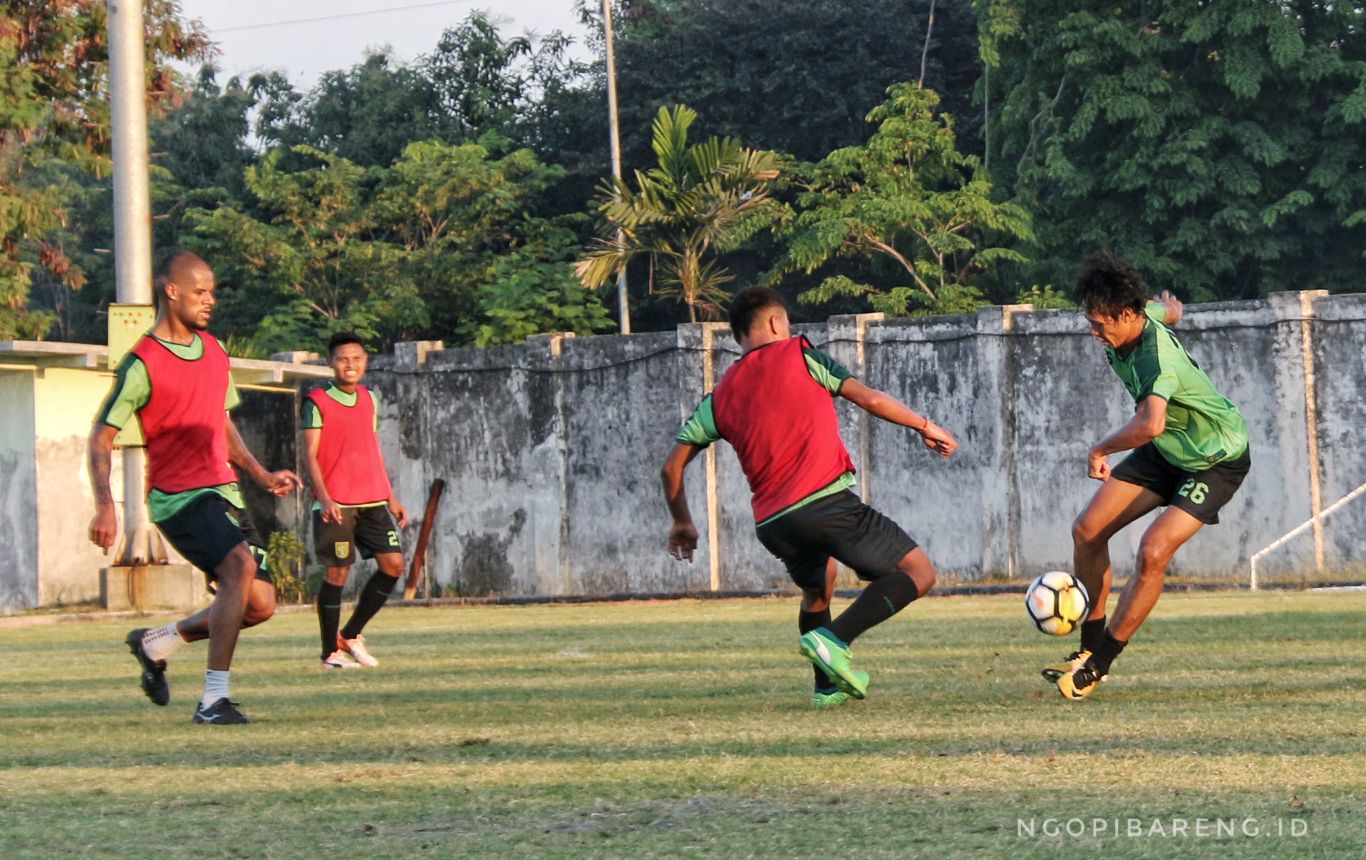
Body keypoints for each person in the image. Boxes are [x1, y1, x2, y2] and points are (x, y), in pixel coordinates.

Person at [661, 287, 958, 707]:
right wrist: (924, 425)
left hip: (775, 525)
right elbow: (868, 397)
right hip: (826, 504)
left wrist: (682, 522)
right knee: (918, 573)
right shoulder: (800, 354)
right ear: (775, 323)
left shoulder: (719, 396)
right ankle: (834, 639)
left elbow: (670, 467)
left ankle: (826, 688)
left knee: (819, 589)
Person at [88, 250, 302, 725]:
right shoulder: (141, 363)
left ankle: (155, 642)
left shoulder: (215, 351)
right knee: (239, 566)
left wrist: (261, 474)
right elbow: (102, 437)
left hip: (223, 491)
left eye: (212, 292)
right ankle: (212, 701)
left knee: (260, 604)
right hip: (178, 497)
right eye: (200, 291)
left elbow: (220, 422)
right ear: (171, 291)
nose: (210, 300)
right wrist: (106, 506)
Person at [1047, 254, 1251, 700]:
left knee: (1153, 549)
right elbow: (1164, 311)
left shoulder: (1154, 359)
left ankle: (1099, 664)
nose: (1093, 333)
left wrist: (1100, 449)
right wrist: (1173, 310)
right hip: (1166, 452)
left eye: (1100, 324)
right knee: (1087, 530)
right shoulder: (1137, 316)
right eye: (1090, 322)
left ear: (1125, 316)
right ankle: (1087, 647)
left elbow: (1150, 423)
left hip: (1214, 459)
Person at [302, 332, 408, 669]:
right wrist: (326, 497)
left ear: (365, 362)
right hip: (337, 503)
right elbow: (310, 454)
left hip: (373, 500)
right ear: (331, 363)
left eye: (356, 359)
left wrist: (390, 496)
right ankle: (328, 654)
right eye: (343, 359)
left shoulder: (369, 399)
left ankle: (351, 634)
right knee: (337, 574)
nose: (350, 365)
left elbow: (371, 447)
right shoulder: (316, 401)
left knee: (393, 565)